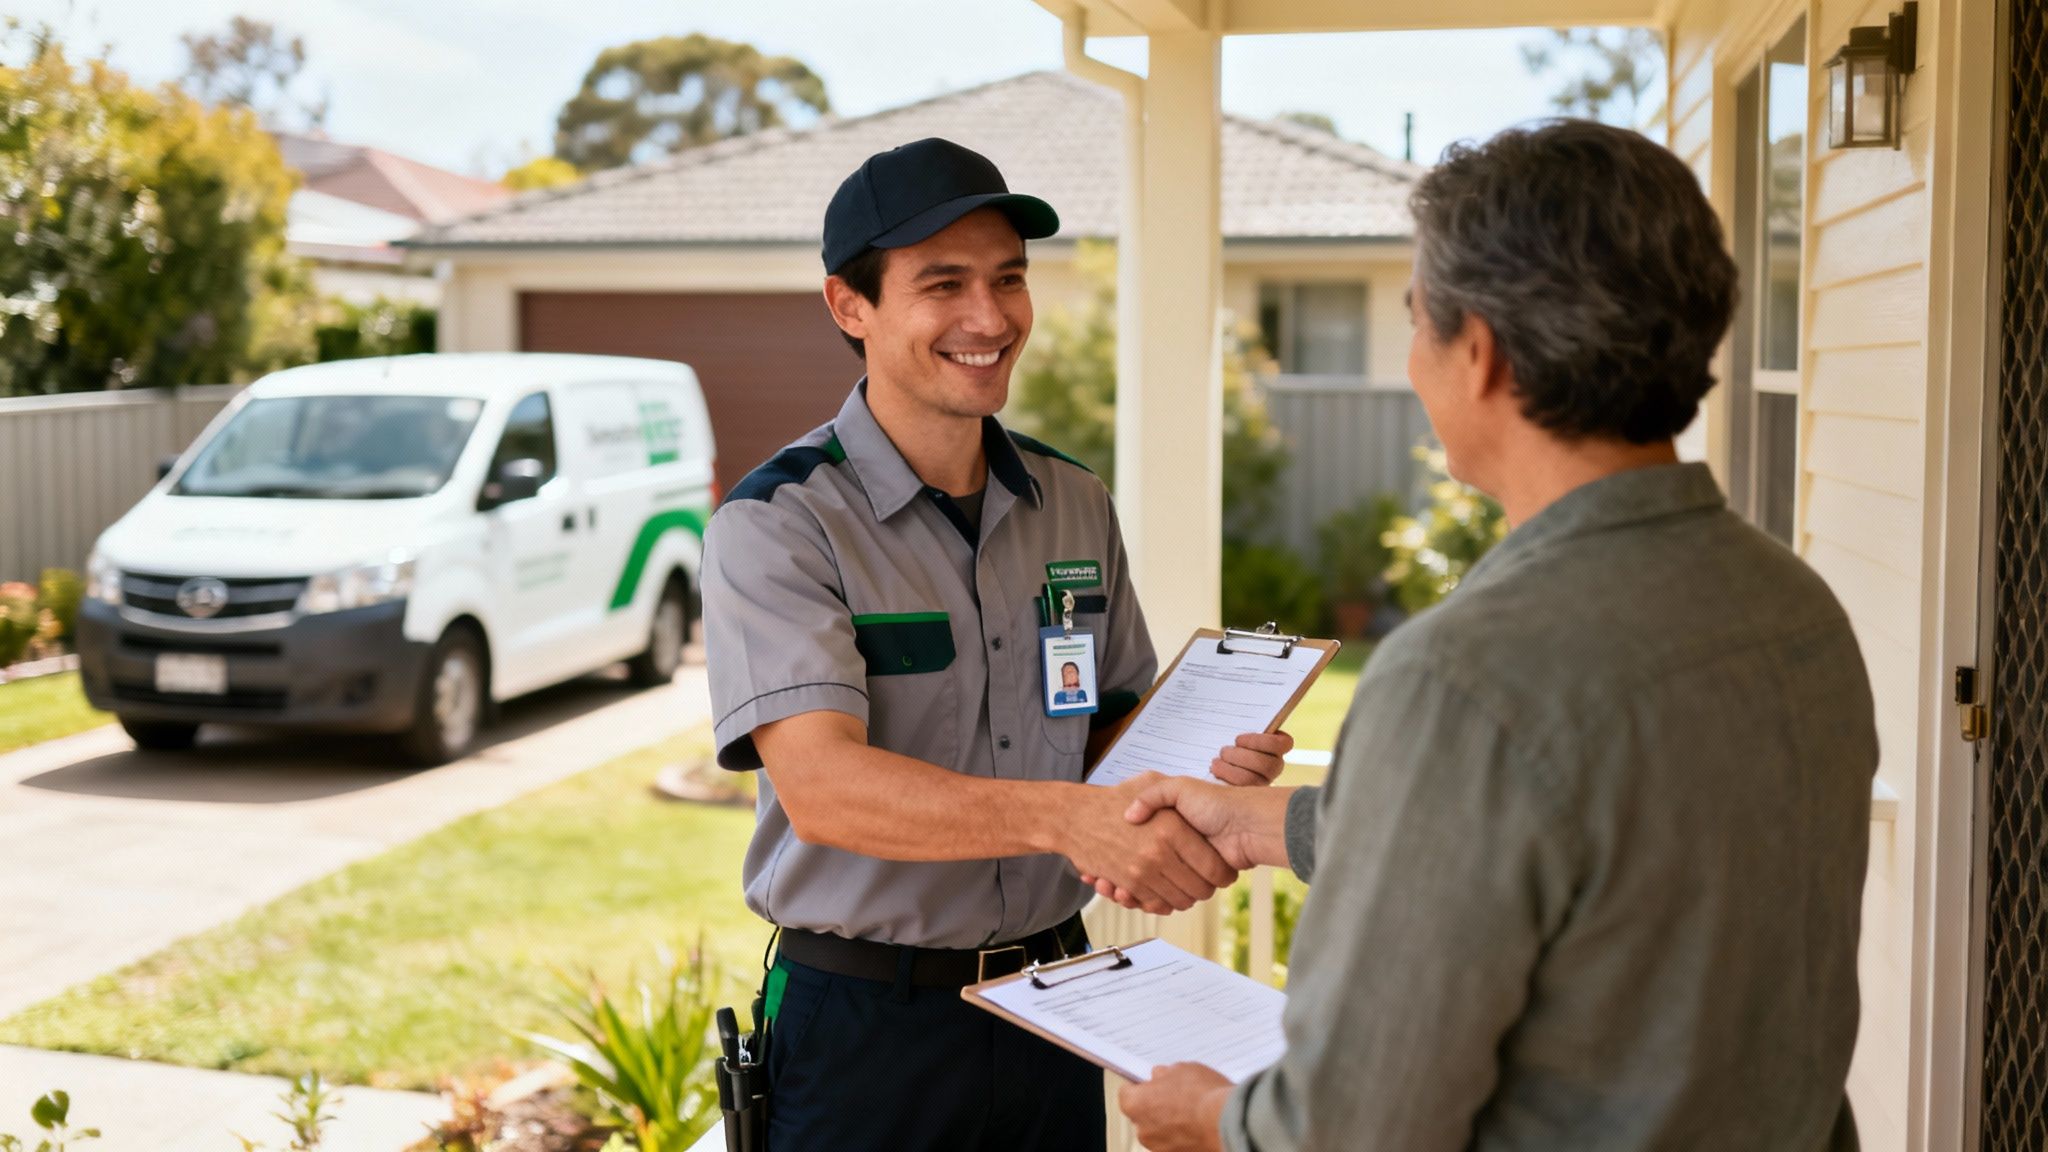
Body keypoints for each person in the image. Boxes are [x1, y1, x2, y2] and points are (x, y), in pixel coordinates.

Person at [1105, 120, 1878, 1152]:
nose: (1412, 355)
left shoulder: (1462, 681)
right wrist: (1262, 824)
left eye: (1416, 318)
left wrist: (1211, 1118)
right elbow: (1595, 838)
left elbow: (1352, 1127)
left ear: (1479, 353)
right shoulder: (1793, 610)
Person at [699, 137, 1294, 1152]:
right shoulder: (779, 524)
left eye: (1007, 279)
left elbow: (1107, 734)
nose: (989, 317)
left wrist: (1201, 775)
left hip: (1056, 1006)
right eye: (943, 284)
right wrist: (1075, 822)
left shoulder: (1072, 503)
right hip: (863, 1028)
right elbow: (827, 790)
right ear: (850, 305)